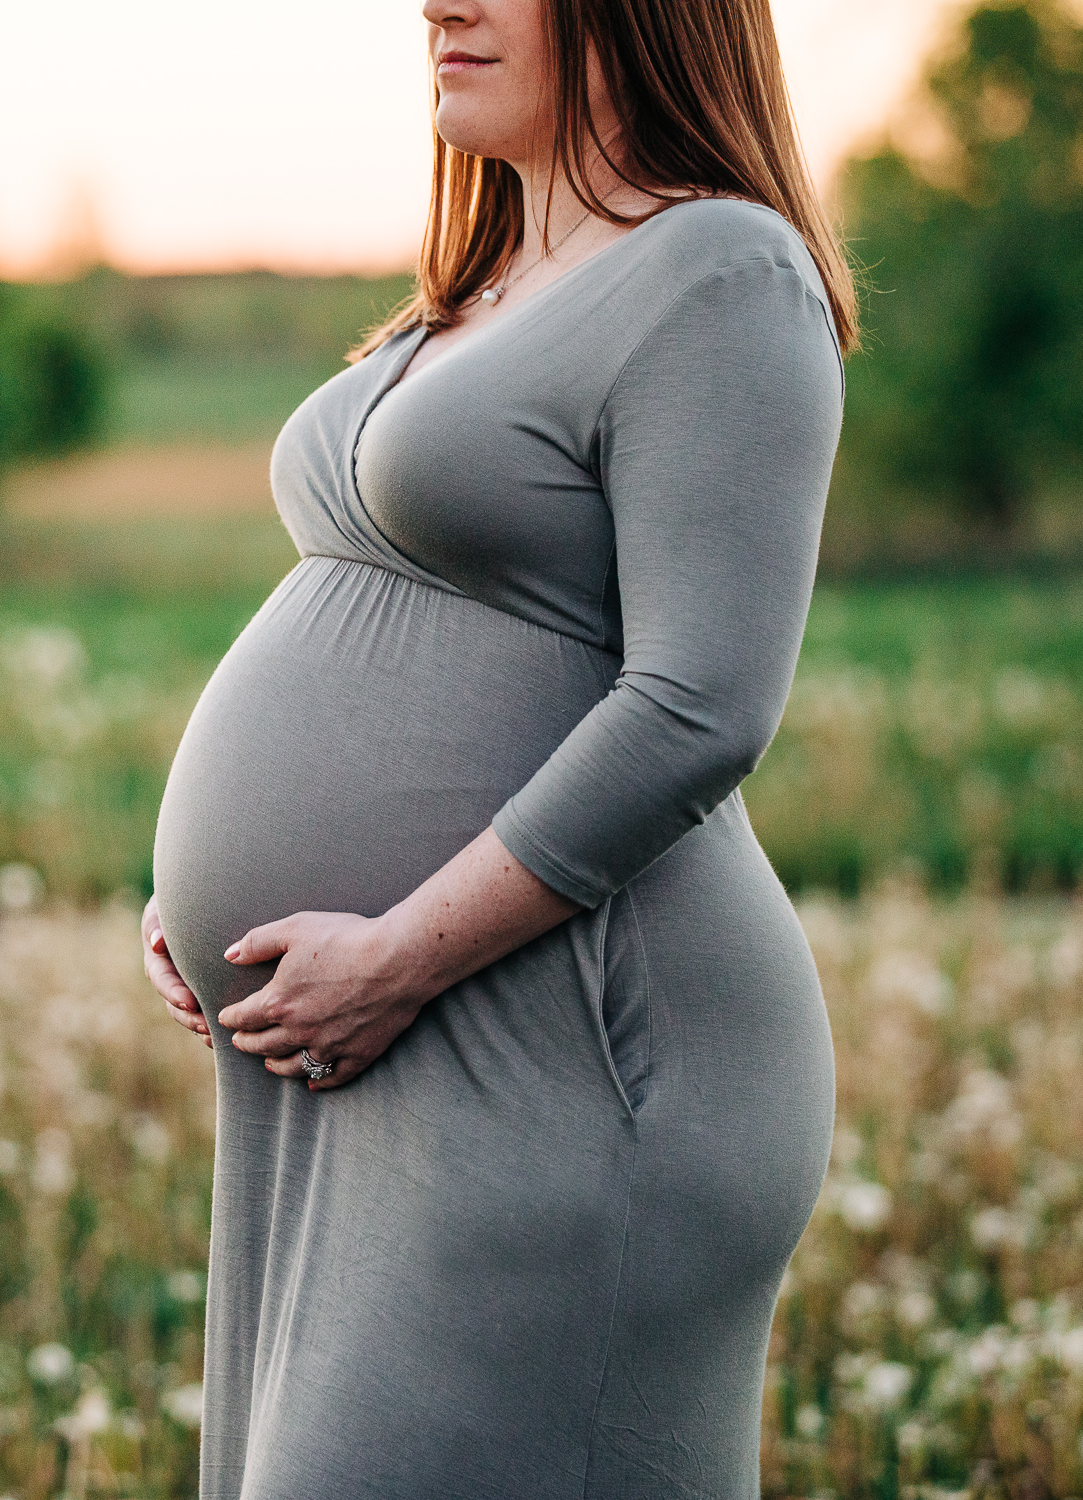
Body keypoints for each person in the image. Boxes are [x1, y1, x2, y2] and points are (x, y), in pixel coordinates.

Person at [141, 0, 854, 1492]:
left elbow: (699, 706)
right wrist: (193, 898)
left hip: (576, 1050)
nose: (439, 3)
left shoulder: (720, 270)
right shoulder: (481, 290)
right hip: (378, 1046)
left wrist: (395, 951)